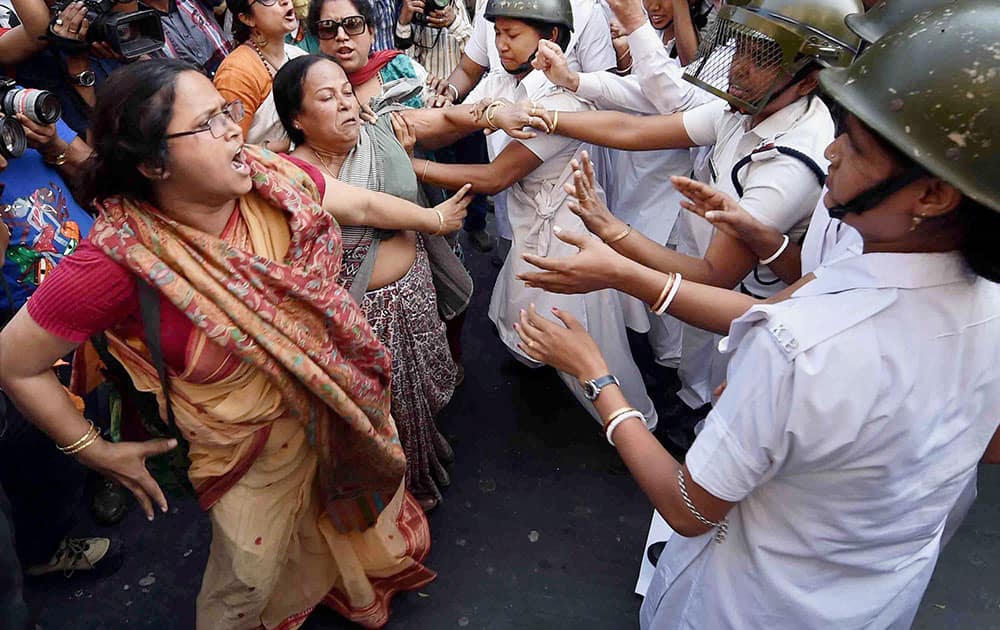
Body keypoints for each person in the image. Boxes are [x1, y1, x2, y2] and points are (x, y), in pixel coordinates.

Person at [514, 2, 1000, 626]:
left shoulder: (796, 349)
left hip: (754, 601)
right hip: (872, 595)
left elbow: (689, 507)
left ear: (933, 194)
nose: (831, 147)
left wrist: (598, 377)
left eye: (855, 146)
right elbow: (984, 447)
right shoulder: (958, 293)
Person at [0, 59, 472, 629]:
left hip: (336, 410)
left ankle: (349, 591)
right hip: (246, 455)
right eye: (209, 124)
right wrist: (94, 450)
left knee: (343, 517)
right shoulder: (119, 260)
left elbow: (363, 205)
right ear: (152, 163)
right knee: (248, 571)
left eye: (227, 114)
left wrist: (434, 219)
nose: (233, 130)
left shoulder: (274, 181)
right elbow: (15, 362)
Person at [516, 0, 862, 412]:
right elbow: (634, 129)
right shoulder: (751, 107)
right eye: (742, 49)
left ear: (808, 82)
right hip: (700, 280)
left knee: (714, 397)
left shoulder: (785, 166)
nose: (739, 68)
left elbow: (713, 277)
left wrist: (614, 236)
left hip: (737, 312)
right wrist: (547, 117)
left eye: (762, 60)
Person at [395, 0, 658, 427]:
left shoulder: (565, 102)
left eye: (512, 35)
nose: (500, 45)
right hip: (531, 222)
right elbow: (453, 119)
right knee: (531, 302)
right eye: (496, 34)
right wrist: (403, 121)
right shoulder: (501, 82)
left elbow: (498, 175)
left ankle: (633, 421)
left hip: (569, 231)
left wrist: (415, 166)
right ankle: (544, 365)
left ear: (550, 37)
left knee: (588, 331)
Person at [274, 54, 471, 510]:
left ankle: (420, 467)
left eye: (347, 91)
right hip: (359, 321)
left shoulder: (378, 134)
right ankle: (396, 498)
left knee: (418, 398)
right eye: (327, 98)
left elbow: (444, 119)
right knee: (382, 415)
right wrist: (433, 217)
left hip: (414, 294)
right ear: (298, 120)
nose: (345, 104)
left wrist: (493, 114)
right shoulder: (292, 176)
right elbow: (360, 211)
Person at [213, 0, 307, 150]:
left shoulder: (298, 57)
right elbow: (230, 149)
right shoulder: (236, 74)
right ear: (247, 18)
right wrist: (291, 145)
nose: (284, 1)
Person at [309, 0, 430, 107]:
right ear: (318, 40)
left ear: (371, 33)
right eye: (328, 28)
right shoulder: (312, 88)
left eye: (352, 24)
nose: (341, 36)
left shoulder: (403, 68)